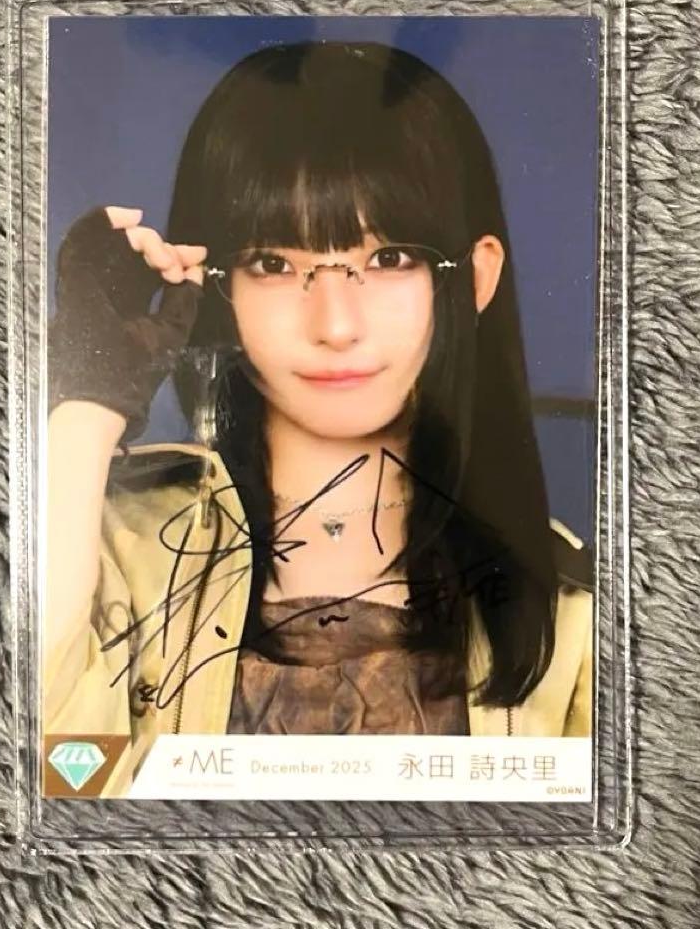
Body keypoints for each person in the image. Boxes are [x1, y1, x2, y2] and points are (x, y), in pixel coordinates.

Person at [42, 41, 593, 797]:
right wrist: (87, 403)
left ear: (476, 276)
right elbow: (23, 786)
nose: (336, 325)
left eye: (390, 259)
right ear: (212, 284)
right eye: (273, 264)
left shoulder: (574, 609)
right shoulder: (104, 545)